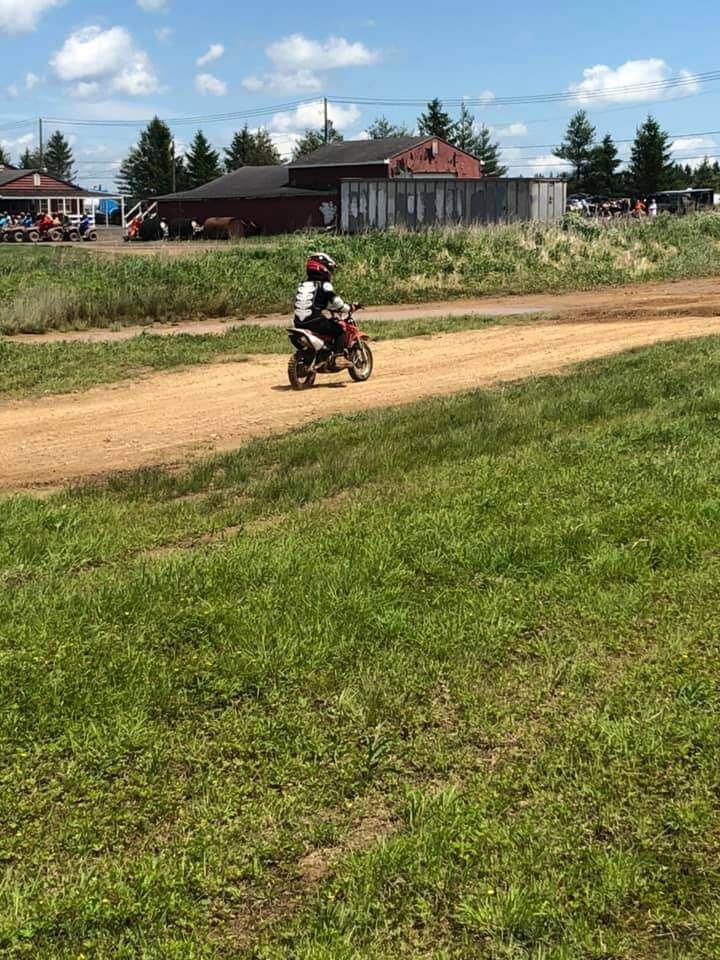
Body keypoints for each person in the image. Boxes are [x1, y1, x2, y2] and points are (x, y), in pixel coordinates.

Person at [293, 252, 356, 369]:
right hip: (315, 321)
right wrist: (349, 307)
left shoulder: (301, 285)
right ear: (323, 268)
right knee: (340, 329)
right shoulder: (325, 285)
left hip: (298, 322)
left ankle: (321, 354)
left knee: (327, 324)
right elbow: (337, 303)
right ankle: (339, 357)